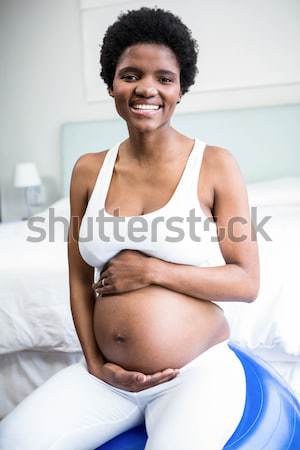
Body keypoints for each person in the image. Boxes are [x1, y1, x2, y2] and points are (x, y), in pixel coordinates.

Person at [0, 6, 260, 450]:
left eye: (164, 78)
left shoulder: (215, 164)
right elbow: (79, 280)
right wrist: (96, 362)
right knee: (14, 440)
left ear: (180, 90)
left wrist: (152, 272)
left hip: (194, 373)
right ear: (111, 83)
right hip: (108, 379)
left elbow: (246, 282)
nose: (147, 88)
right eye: (131, 74)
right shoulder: (87, 171)